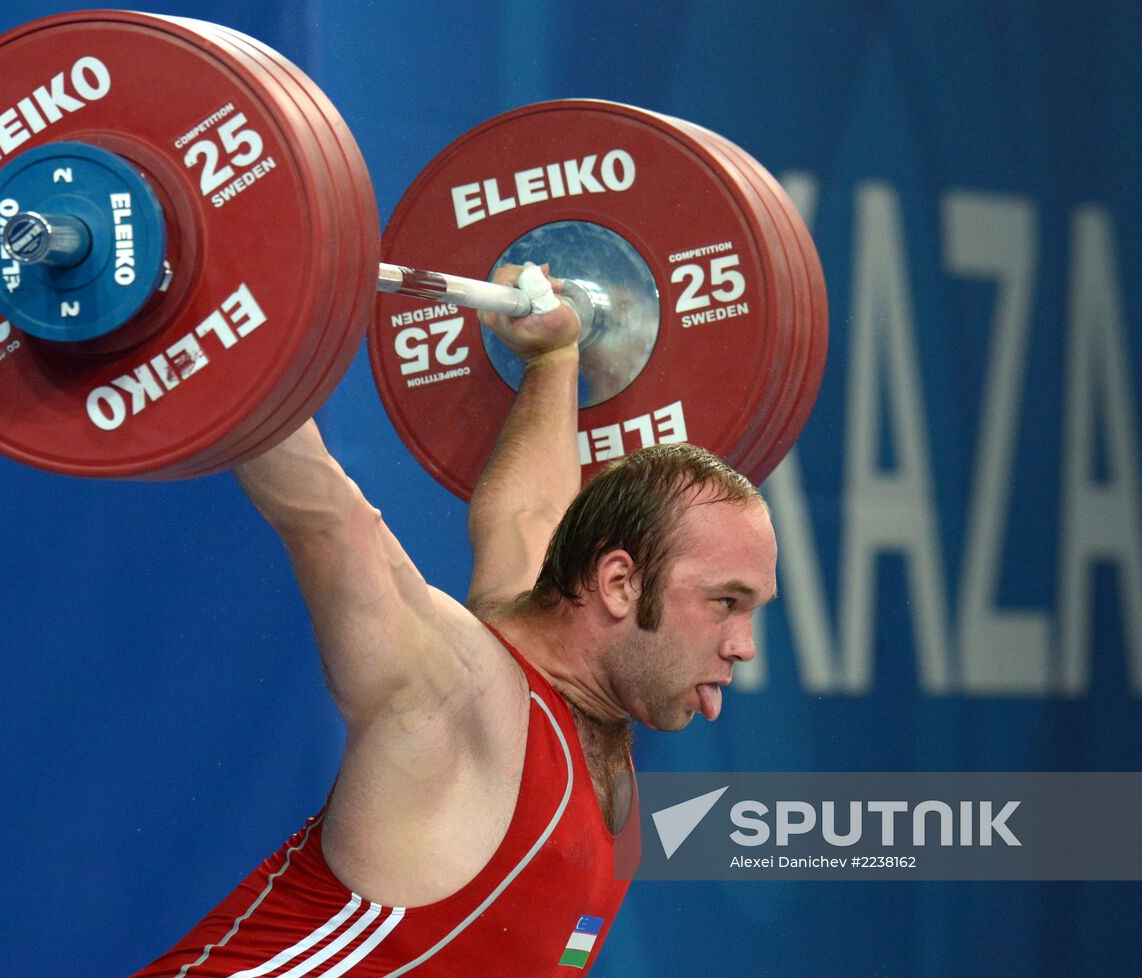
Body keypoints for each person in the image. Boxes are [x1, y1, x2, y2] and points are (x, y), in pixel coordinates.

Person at [133, 265, 778, 977]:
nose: (744, 646)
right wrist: (198, 309)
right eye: (726, 602)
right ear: (621, 585)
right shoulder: (455, 697)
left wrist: (554, 357)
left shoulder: (575, 691)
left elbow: (531, 514)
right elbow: (325, 516)